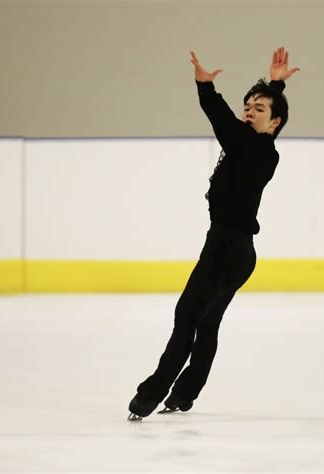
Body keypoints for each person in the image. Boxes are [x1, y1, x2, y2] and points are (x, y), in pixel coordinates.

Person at [128, 47, 300, 421]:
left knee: (187, 316)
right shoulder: (253, 145)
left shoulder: (255, 149)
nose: (249, 111)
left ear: (274, 123)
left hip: (228, 251)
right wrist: (274, 86)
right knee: (205, 323)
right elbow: (243, 124)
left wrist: (205, 88)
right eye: (247, 106)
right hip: (230, 250)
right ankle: (184, 394)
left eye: (259, 109)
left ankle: (150, 395)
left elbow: (223, 122)